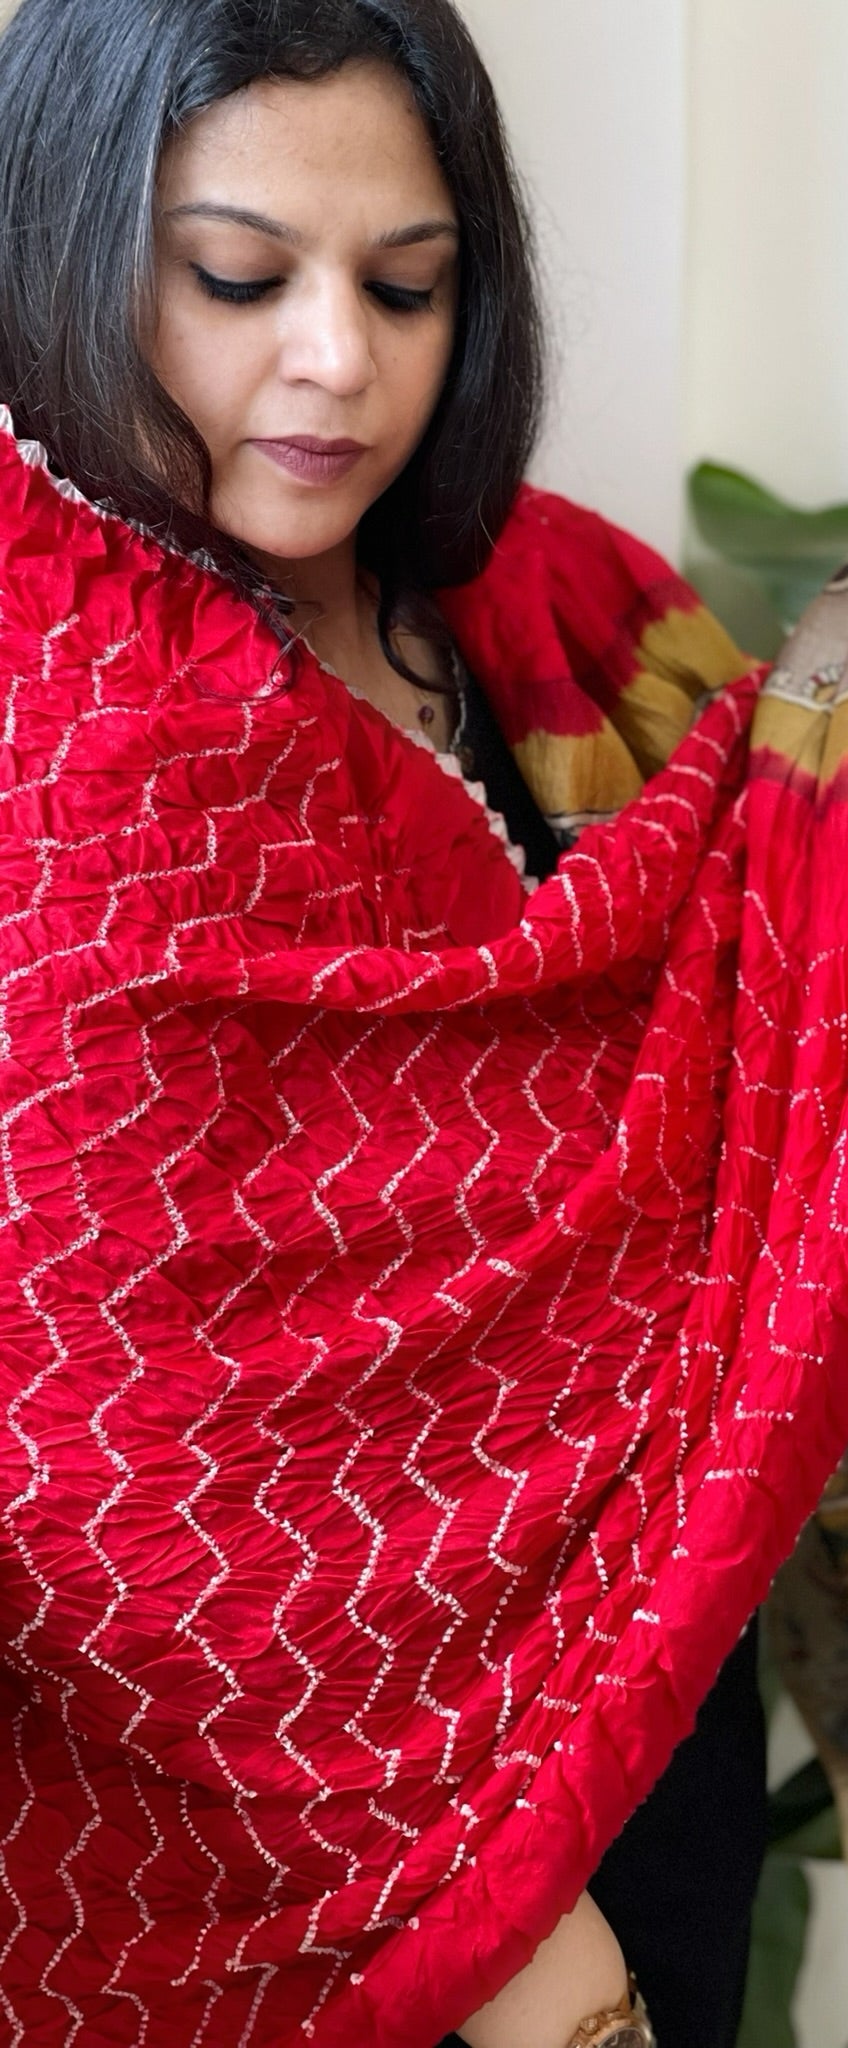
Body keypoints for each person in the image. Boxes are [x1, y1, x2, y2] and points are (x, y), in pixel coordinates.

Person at [0, 3, 764, 2043]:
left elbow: (765, 993)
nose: (338, 357)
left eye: (408, 286)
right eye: (237, 278)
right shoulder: (51, 725)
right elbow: (105, 1448)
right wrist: (513, 1933)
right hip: (278, 1853)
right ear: (65, 246)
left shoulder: (544, 606)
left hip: (659, 1687)